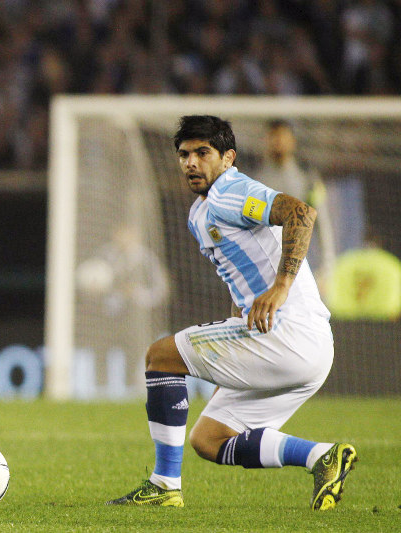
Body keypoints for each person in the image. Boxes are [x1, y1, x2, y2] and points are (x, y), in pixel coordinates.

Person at [107, 115, 356, 510]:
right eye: (185, 154)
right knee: (209, 438)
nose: (191, 162)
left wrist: (281, 287)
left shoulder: (231, 191)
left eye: (203, 153)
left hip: (288, 334)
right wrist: (236, 358)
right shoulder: (199, 213)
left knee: (160, 357)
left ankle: (164, 485)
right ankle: (322, 457)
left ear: (228, 158)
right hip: (303, 346)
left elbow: (301, 214)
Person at [257, 119, 336, 288]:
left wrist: (327, 265)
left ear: (292, 141)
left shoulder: (308, 179)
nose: (278, 142)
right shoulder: (254, 180)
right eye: (273, 137)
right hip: (263, 266)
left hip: (301, 267)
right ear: (265, 141)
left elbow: (322, 223)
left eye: (282, 137)